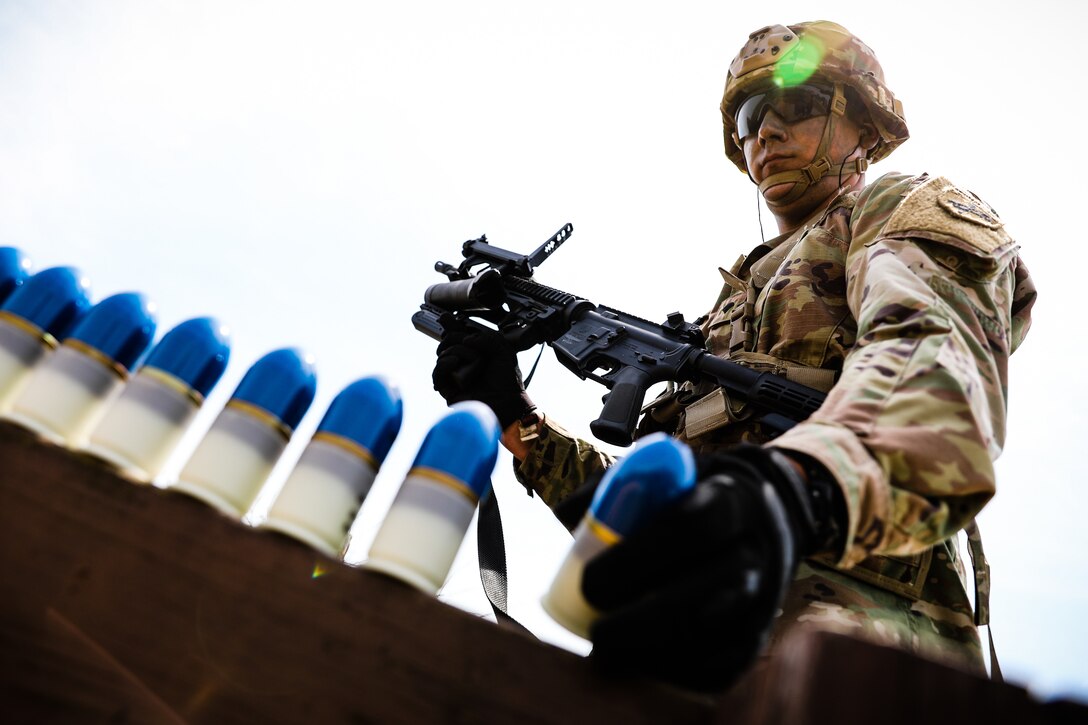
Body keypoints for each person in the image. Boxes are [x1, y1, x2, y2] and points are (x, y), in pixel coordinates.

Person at [432, 20, 1036, 692]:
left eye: (797, 105)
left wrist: (795, 490)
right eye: (751, 117)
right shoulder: (729, 312)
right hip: (689, 658)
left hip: (853, 658)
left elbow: (928, 370)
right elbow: (677, 515)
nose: (767, 132)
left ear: (863, 124)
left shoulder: (896, 210)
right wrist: (519, 423)